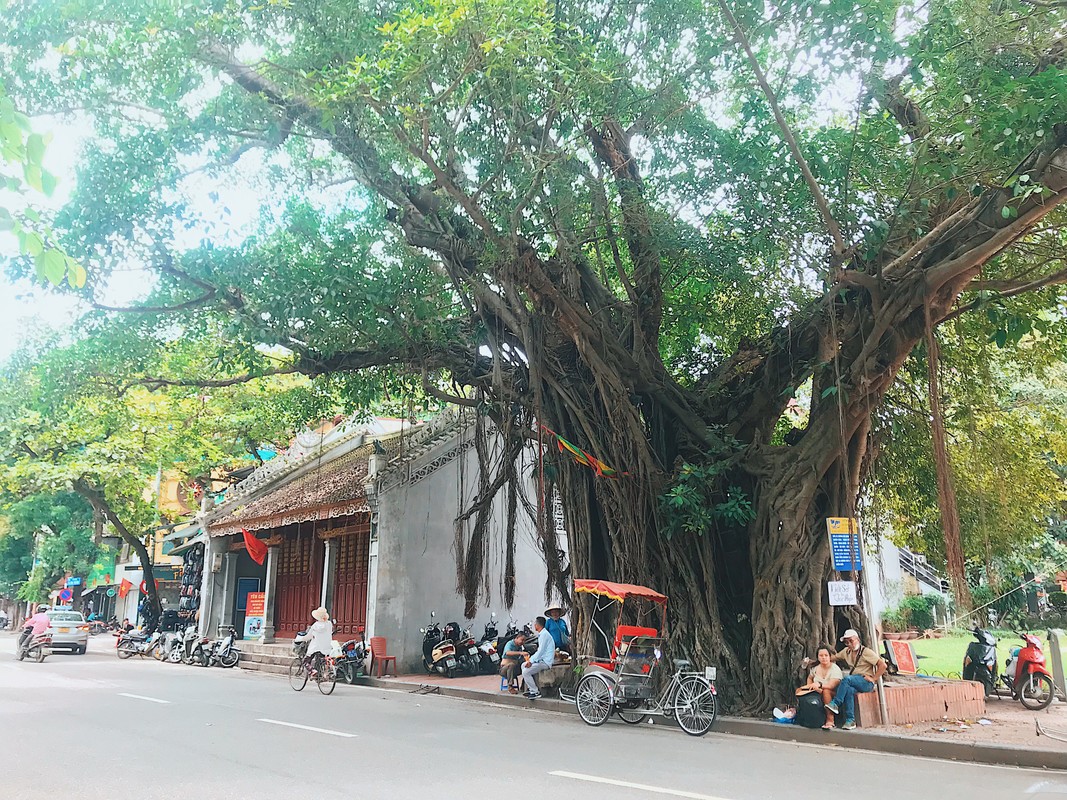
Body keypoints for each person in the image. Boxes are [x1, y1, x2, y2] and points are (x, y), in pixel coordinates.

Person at [823, 629, 887, 730]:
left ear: (857, 639)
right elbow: (833, 658)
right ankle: (850, 720)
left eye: (851, 641)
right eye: (846, 642)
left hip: (865, 682)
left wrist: (874, 678)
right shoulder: (846, 652)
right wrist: (818, 660)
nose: (849, 644)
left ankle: (836, 703)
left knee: (846, 679)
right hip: (854, 681)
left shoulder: (866, 652)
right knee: (849, 691)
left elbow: (882, 665)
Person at [798, 645, 843, 730]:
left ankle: (830, 720)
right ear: (818, 657)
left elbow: (831, 686)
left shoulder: (835, 669)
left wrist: (819, 685)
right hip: (817, 691)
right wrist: (810, 687)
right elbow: (810, 678)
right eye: (821, 656)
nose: (824, 658)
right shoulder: (815, 668)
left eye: (826, 655)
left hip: (834, 695)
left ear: (830, 657)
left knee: (826, 691)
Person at [521, 616, 556, 700]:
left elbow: (540, 652)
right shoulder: (543, 634)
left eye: (535, 624)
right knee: (523, 665)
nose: (534, 625)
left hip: (546, 662)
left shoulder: (544, 635)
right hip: (542, 660)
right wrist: (531, 661)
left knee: (526, 672)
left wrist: (531, 661)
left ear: (537, 625)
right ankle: (531, 688)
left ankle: (535, 691)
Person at [294, 607, 334, 676]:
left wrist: (299, 639)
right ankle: (320, 674)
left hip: (316, 647)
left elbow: (308, 637)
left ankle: (312, 670)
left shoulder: (315, 626)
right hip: (327, 646)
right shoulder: (329, 624)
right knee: (320, 659)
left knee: (305, 661)